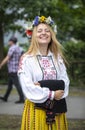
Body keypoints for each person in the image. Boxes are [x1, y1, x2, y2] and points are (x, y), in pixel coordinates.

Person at [18, 16, 70, 130]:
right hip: (36, 109)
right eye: (39, 31)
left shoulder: (58, 58)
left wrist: (42, 85)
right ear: (32, 35)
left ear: (51, 35)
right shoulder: (27, 59)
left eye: (47, 30)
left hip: (57, 109)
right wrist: (52, 93)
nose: (44, 33)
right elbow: (28, 87)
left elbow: (65, 81)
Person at [0, 36, 24, 103]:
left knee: (17, 85)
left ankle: (22, 99)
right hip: (15, 69)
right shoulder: (18, 48)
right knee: (10, 85)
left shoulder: (12, 48)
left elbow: (8, 57)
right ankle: (5, 97)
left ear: (11, 41)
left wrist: (1, 64)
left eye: (9, 41)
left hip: (13, 70)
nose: (8, 42)